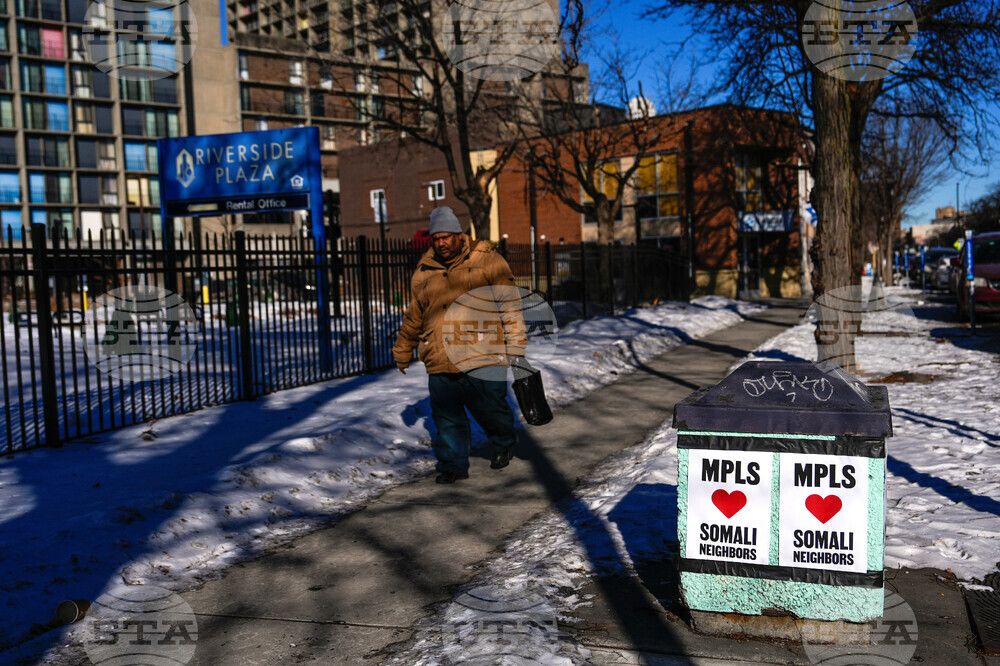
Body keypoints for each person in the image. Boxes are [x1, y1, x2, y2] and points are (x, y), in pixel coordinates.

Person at [392, 206, 527, 484]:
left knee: (491, 407)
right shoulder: (424, 269)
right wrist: (404, 348)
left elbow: (509, 303)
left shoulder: (487, 260)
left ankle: (503, 440)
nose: (441, 243)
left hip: (483, 352)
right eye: (436, 238)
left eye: (446, 237)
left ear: (459, 234)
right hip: (440, 353)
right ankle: (453, 464)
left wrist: (515, 341)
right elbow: (415, 312)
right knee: (446, 416)